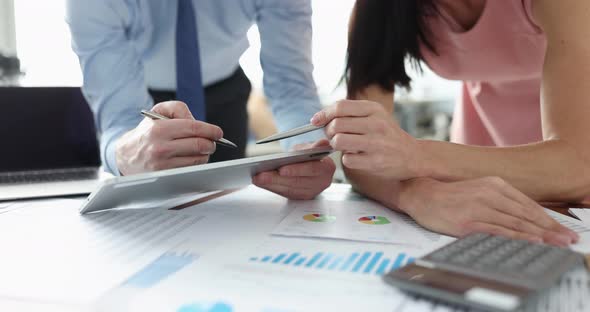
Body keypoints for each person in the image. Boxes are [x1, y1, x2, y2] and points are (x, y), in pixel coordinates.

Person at [309, 0, 587, 246]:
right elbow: (359, 151)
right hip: (479, 146)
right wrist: (416, 194)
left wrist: (417, 155)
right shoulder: (378, 9)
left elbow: (578, 168)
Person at [66, 0, 334, 200]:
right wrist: (124, 155)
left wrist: (308, 152)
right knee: (152, 219)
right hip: (143, 112)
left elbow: (291, 87)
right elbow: (119, 119)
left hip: (225, 93)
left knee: (227, 212)